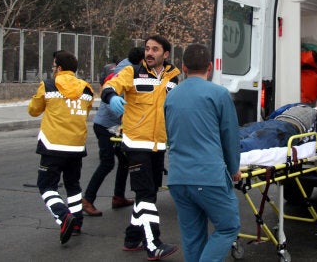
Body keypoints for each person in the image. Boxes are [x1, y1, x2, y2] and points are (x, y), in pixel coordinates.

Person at [101, 35, 180, 260]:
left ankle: (132, 237)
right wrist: (111, 97)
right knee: (145, 193)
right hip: (136, 142)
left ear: (165, 54)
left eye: (155, 49)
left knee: (149, 192)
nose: (149, 53)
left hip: (158, 144)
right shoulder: (132, 72)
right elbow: (110, 85)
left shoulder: (174, 77)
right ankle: (153, 243)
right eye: (147, 48)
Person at [164, 43, 241, 262]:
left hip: (179, 178)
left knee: (192, 236)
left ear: (183, 67)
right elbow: (230, 136)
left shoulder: (172, 96)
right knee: (228, 226)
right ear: (210, 66)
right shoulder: (218, 94)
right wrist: (234, 168)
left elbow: (171, 134)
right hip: (208, 176)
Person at [28, 50, 94, 245]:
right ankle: (76, 222)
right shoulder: (87, 89)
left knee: (46, 185)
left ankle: (63, 215)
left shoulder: (48, 85)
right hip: (76, 145)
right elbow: (86, 111)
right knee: (73, 185)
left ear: (59, 68)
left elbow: (33, 110)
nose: (53, 69)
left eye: (53, 65)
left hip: (53, 145)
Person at [81, 47, 145, 216]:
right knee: (107, 163)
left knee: (124, 161)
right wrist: (129, 117)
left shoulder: (130, 69)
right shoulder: (124, 73)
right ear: (140, 62)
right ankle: (87, 200)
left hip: (116, 126)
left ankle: (118, 196)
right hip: (105, 126)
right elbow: (112, 103)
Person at [239, 100, 317, 156]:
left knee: (257, 141)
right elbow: (279, 111)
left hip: (289, 129)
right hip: (274, 122)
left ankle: (231, 152)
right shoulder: (302, 106)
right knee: (240, 132)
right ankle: (224, 144)